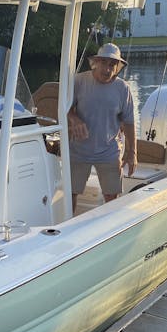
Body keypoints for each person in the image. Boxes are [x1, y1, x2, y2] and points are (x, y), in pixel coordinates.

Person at [68, 42, 137, 213]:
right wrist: (74, 118)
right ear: (96, 62)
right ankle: (69, 226)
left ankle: (110, 229)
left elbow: (129, 122)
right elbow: (64, 109)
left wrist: (132, 152)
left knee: (112, 197)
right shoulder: (79, 81)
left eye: (112, 64)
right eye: (104, 63)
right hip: (78, 149)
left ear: (118, 66)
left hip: (109, 150)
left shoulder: (123, 88)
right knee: (71, 193)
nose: (107, 69)